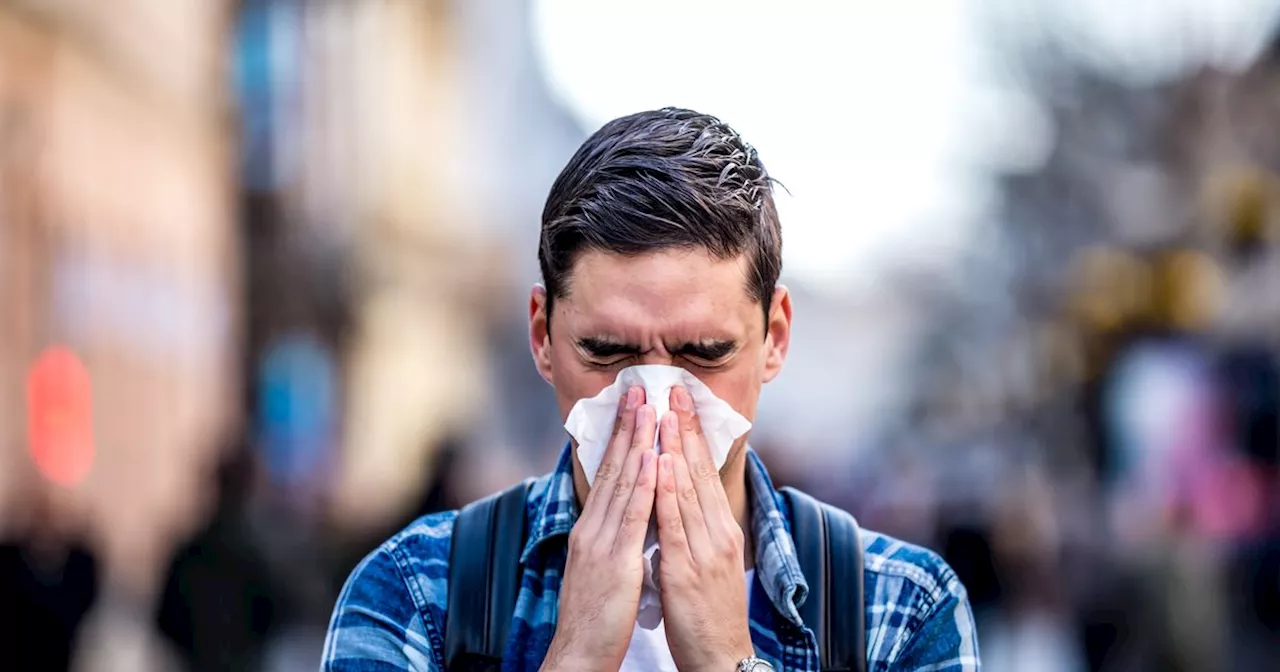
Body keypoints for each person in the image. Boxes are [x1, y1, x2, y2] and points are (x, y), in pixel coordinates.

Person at [322, 108, 980, 671]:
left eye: (704, 353)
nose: (655, 396)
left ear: (773, 337)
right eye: (607, 352)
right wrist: (576, 657)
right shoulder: (416, 593)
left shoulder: (898, 607)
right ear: (543, 337)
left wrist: (729, 660)